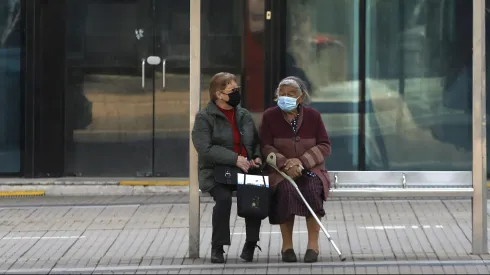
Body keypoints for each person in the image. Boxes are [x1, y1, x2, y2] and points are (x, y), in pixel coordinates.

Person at [191, 72, 263, 264]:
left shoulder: (243, 114)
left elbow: (255, 142)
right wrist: (234, 159)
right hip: (215, 171)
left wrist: (256, 157)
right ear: (219, 94)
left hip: (245, 169)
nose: (237, 93)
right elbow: (204, 148)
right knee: (223, 199)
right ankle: (218, 247)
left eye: (237, 89)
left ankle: (250, 244)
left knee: (255, 195)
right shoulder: (204, 117)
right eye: (232, 90)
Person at [259, 76, 331, 263]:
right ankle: (287, 246)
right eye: (282, 93)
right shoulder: (269, 116)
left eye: (291, 94)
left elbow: (324, 145)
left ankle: (313, 246)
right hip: (281, 171)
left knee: (312, 190)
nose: (286, 97)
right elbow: (265, 146)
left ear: (300, 98)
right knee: (285, 191)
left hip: (309, 169)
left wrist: (301, 162)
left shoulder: (314, 116)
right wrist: (285, 164)